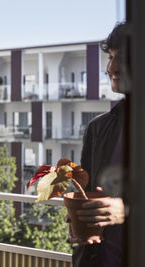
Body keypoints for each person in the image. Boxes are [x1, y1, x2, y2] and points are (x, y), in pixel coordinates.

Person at [69, 22, 128, 267]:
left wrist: (127, 210)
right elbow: (88, 192)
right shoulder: (98, 128)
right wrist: (79, 217)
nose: (111, 67)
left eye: (123, 58)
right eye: (111, 57)